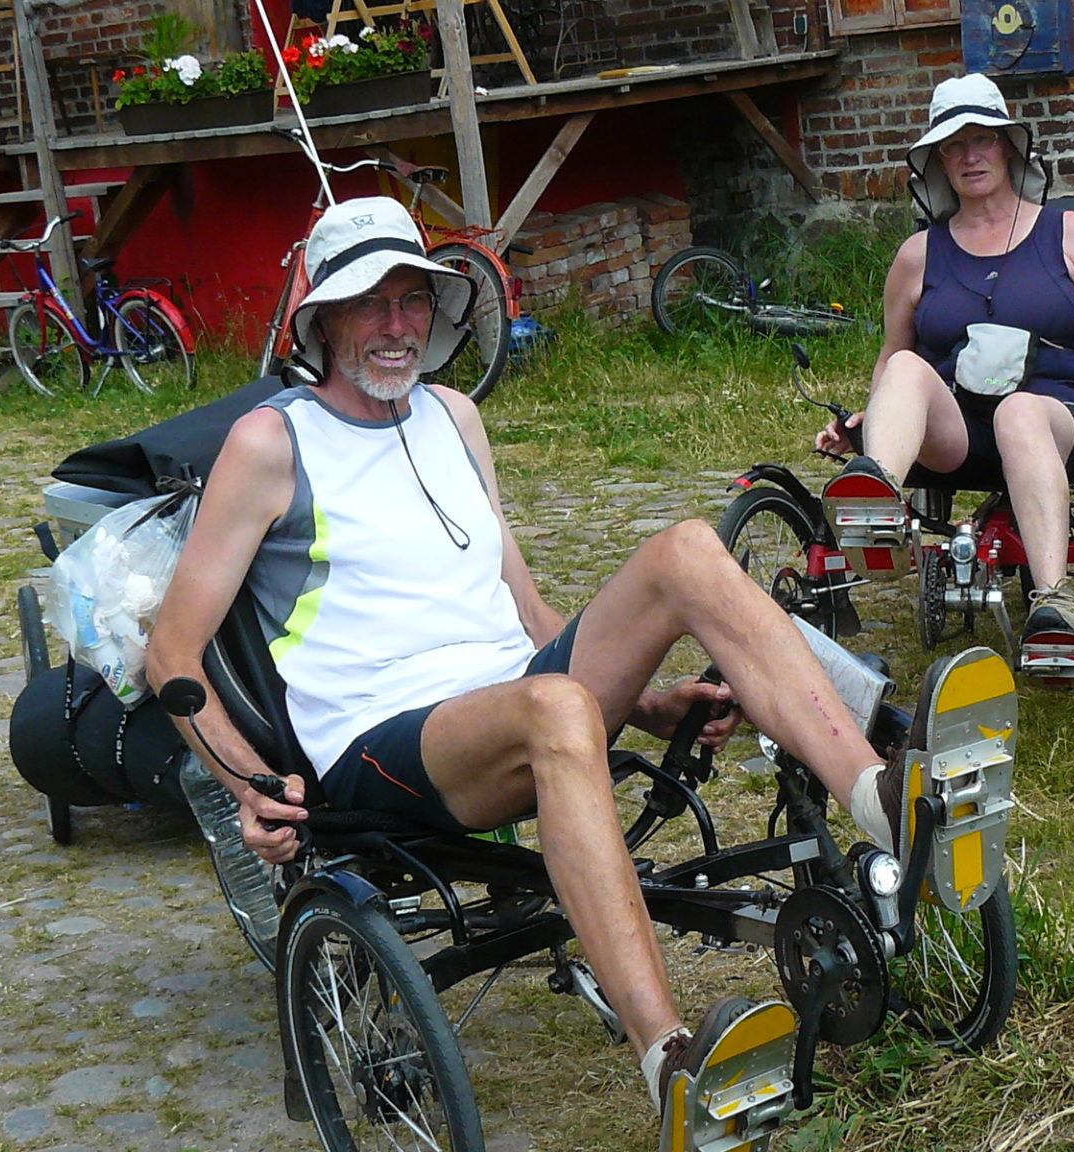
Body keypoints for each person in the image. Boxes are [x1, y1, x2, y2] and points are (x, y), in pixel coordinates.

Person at [146, 196, 916, 1129]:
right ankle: (670, 1062)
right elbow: (171, 651)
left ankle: (885, 801)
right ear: (322, 320)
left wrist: (646, 702)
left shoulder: (457, 417)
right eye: (369, 304)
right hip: (386, 742)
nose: (396, 327)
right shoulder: (273, 443)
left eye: (414, 301)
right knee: (553, 706)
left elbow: (526, 607)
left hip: (521, 692)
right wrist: (249, 785)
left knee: (684, 551)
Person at [817, 72, 1074, 647]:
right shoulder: (918, 255)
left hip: (1060, 420)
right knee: (904, 368)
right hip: (960, 431)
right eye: (953, 146)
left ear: (1009, 146)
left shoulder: (1066, 232)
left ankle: (1055, 604)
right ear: (939, 162)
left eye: (982, 139)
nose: (970, 156)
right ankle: (876, 498)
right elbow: (893, 357)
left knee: (1018, 411)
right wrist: (869, 425)